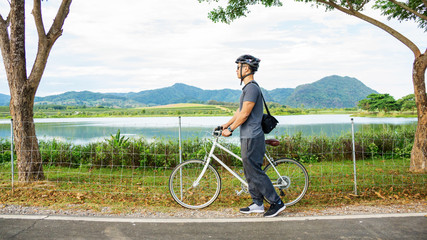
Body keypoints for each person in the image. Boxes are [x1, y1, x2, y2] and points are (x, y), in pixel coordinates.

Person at [221, 54, 286, 218]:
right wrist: (226, 124)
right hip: (247, 136)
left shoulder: (251, 88)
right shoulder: (247, 89)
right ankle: (257, 203)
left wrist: (231, 130)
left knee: (255, 171)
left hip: (252, 136)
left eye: (238, 67)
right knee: (249, 171)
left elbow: (244, 115)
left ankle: (276, 202)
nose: (236, 70)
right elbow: (239, 112)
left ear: (247, 68)